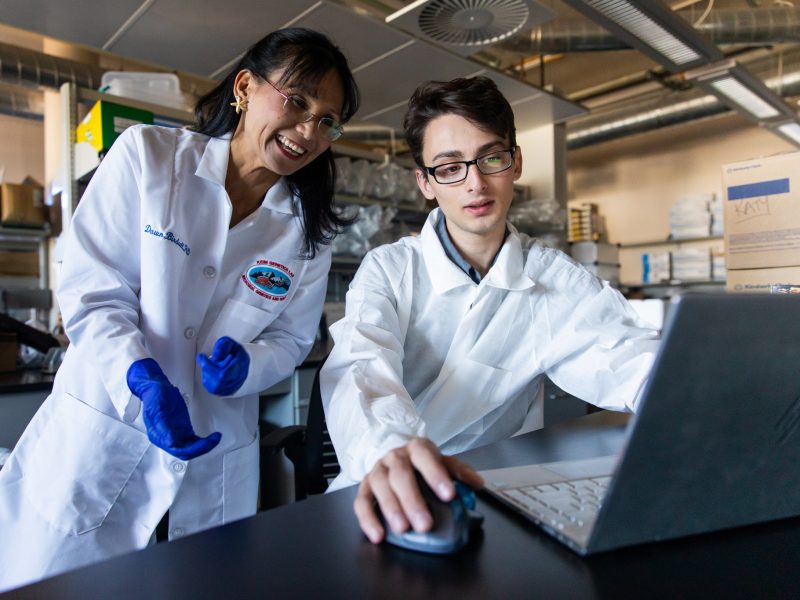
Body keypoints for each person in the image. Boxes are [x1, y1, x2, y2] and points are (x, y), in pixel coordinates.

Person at [0, 27, 359, 591]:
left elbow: (291, 341)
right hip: (104, 434)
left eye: (327, 120)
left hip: (214, 461)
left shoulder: (307, 234)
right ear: (244, 87)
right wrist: (138, 376)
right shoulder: (149, 157)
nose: (309, 130)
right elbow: (94, 290)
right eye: (297, 101)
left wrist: (250, 364)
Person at [319, 76, 659, 544]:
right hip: (384, 482)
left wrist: (711, 401)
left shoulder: (555, 279)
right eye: (450, 168)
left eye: (491, 158)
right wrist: (392, 449)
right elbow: (363, 365)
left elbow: (631, 359)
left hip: (496, 496)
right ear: (425, 183)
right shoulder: (390, 269)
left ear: (515, 162)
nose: (475, 183)